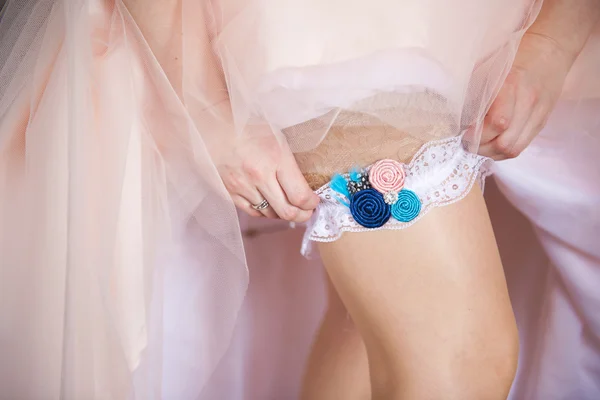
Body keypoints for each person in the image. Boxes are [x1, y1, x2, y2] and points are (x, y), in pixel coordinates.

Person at [0, 1, 597, 400]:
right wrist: (206, 106)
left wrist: (556, 36)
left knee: (372, 337)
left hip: (462, 22)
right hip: (329, 29)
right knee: (462, 353)